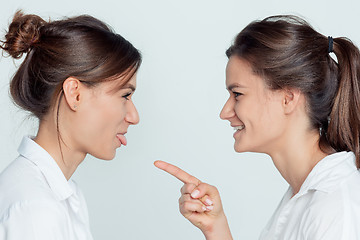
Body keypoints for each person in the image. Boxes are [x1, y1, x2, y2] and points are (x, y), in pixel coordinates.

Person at [155, 15, 360, 240]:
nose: (225, 112)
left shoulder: (334, 204)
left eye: (238, 94)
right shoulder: (302, 194)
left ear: (288, 98)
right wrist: (215, 227)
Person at [0, 11, 141, 239]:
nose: (134, 117)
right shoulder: (36, 209)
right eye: (125, 96)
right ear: (75, 94)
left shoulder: (63, 194)